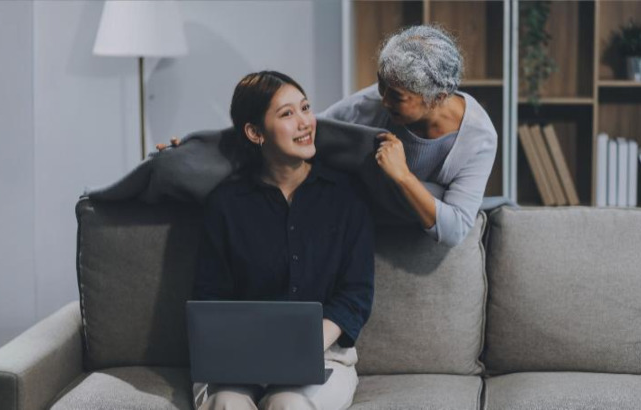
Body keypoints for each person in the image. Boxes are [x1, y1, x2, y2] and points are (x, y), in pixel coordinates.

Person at [161, 25, 495, 247]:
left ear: (436, 98)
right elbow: (300, 135)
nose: (383, 99)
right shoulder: (375, 103)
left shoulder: (478, 139)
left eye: (397, 95)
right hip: (356, 207)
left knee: (433, 191)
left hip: (400, 216)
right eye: (381, 84)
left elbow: (453, 230)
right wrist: (195, 152)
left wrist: (403, 176)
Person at [191, 71, 374, 410]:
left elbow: (356, 295)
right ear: (254, 132)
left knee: (288, 405)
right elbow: (210, 296)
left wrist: (303, 346)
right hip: (237, 360)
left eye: (305, 108)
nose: (305, 122)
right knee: (226, 405)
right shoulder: (226, 204)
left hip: (323, 357)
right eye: (287, 114)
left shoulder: (346, 198)